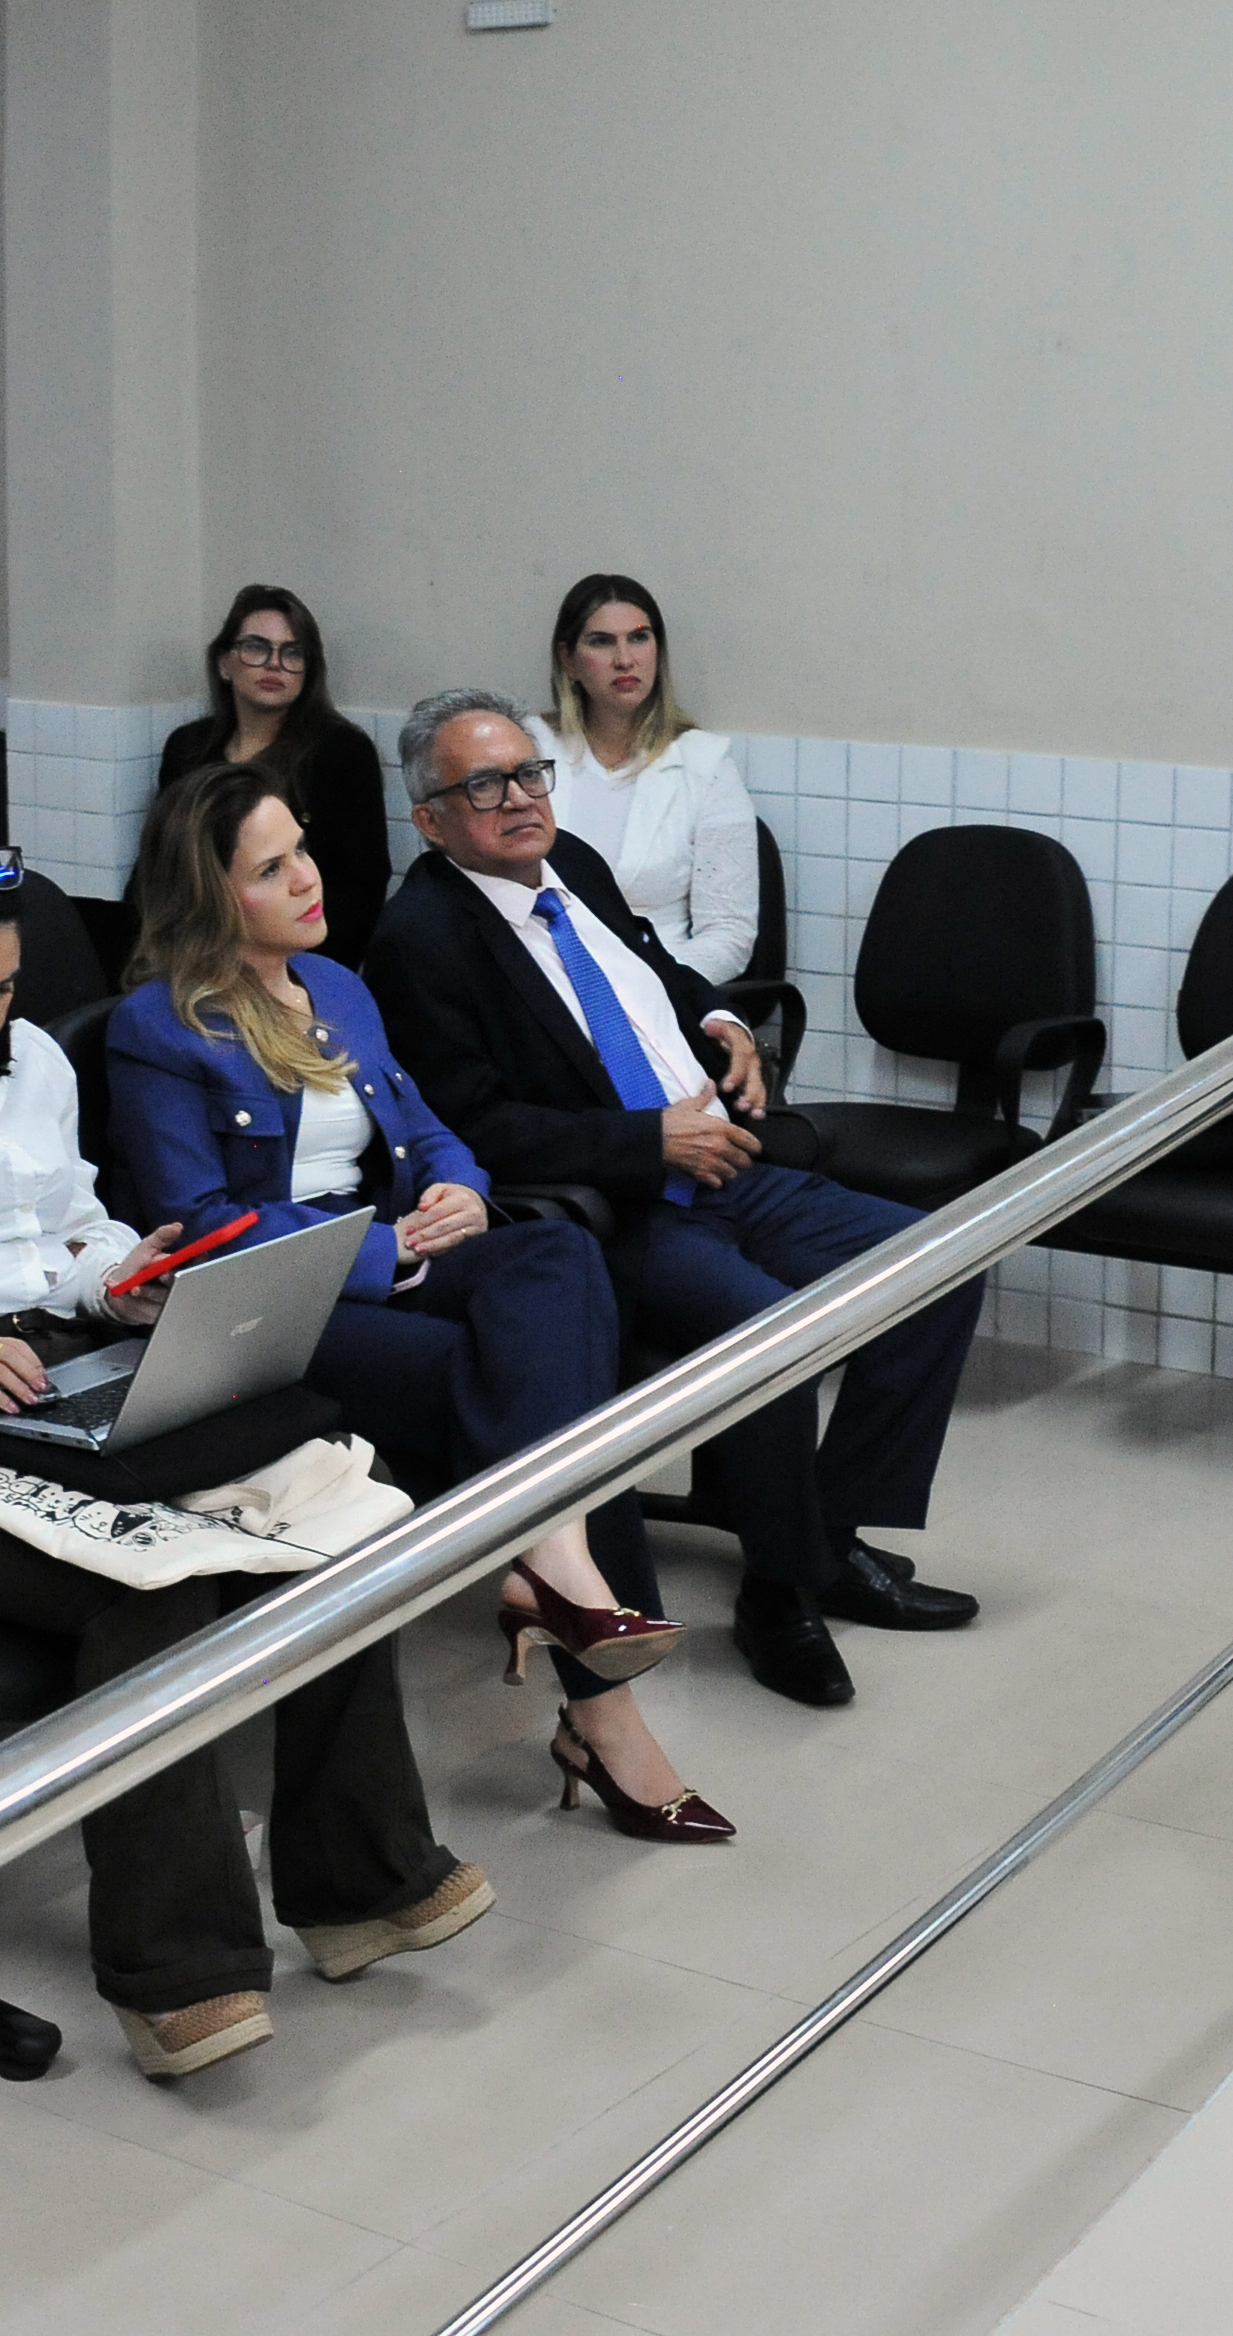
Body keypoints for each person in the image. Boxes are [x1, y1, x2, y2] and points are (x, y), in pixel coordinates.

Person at [0, 844, 487, 2076]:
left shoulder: (30, 1069)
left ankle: (362, 1884)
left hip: (49, 1366)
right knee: (147, 1588)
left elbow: (61, 1224)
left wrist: (111, 1275)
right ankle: (179, 1970)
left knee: (325, 1526)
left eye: (2, 992)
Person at [110, 763, 724, 1841]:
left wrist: (461, 1191)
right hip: (293, 1307)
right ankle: (598, 1693)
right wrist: (378, 1245)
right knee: (542, 1393)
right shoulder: (160, 1029)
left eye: (301, 847)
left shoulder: (334, 986)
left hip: (404, 1250)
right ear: (211, 897)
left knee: (554, 1260)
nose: (308, 876)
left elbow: (428, 1123)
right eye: (271, 867)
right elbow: (194, 1227)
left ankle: (553, 1569)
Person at [365, 691, 983, 1710]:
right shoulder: (420, 938)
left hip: (720, 1163)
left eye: (528, 773)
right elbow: (474, 1124)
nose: (519, 800)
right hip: (616, 1208)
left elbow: (648, 966)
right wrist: (649, 1139)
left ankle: (825, 1539)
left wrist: (719, 1019)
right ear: (428, 819)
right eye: (482, 786)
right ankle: (778, 1595)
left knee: (934, 1260)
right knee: (765, 1331)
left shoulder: (577, 867)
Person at [538, 573, 760, 983]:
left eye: (639, 638)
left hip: (660, 982)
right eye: (602, 641)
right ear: (568, 660)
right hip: (542, 981)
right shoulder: (528, 750)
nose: (625, 659)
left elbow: (730, 934)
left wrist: (649, 985)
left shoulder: (704, 763)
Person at [155, 586, 393, 962]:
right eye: (256, 647)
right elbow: (161, 865)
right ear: (224, 663)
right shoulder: (187, 748)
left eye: (293, 652)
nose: (274, 664)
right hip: (194, 953)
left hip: (296, 959)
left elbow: (361, 888)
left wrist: (304, 975)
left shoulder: (342, 753)